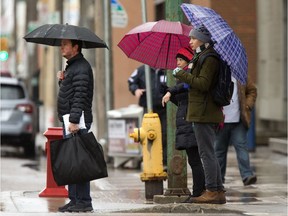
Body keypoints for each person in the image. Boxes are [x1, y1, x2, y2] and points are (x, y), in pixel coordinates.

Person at [172, 25, 226, 204]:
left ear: (203, 39)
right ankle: (218, 191)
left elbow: (203, 84)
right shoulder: (201, 56)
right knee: (208, 152)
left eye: (193, 38)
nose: (190, 42)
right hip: (200, 111)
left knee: (206, 153)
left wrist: (182, 74)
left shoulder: (209, 58)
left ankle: (211, 190)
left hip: (203, 112)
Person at [162, 47, 205, 201]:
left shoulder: (189, 75)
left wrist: (171, 91)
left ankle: (199, 192)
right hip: (186, 120)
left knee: (195, 160)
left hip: (190, 121)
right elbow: (181, 100)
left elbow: (186, 87)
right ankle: (200, 190)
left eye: (180, 60)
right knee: (195, 159)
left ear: (187, 60)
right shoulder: (183, 77)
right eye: (177, 60)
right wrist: (170, 91)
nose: (178, 63)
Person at [56, 39, 94, 212]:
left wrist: (74, 120)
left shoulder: (81, 67)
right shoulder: (73, 67)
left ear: (76, 47)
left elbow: (80, 95)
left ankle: (84, 201)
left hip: (76, 121)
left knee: (80, 162)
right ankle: (75, 199)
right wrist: (62, 80)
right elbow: (70, 92)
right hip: (70, 119)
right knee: (73, 161)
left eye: (65, 44)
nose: (62, 47)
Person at [214, 76, 257, 186]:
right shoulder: (218, 75)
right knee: (219, 151)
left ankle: (247, 175)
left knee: (241, 147)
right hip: (221, 121)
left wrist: (247, 105)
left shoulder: (241, 76)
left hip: (238, 121)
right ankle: (219, 178)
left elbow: (252, 90)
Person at [128, 65, 167, 166]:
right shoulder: (141, 70)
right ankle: (150, 158)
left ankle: (164, 160)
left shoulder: (166, 71)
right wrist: (135, 89)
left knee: (165, 133)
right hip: (148, 108)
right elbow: (131, 81)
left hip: (164, 108)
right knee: (149, 133)